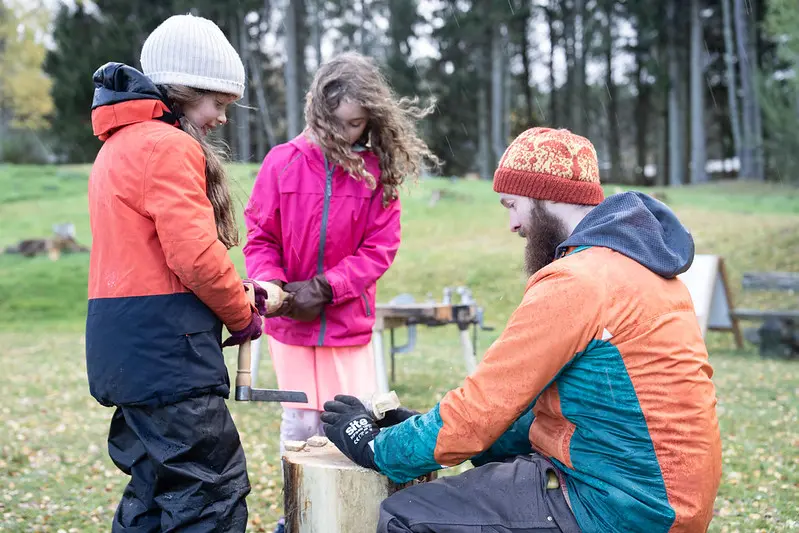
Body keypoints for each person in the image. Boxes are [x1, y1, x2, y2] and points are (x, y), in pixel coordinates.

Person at [321, 127, 723, 533]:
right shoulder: (640, 268)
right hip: (665, 498)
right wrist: (419, 427)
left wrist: (376, 447)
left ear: (545, 194)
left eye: (512, 204)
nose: (513, 224)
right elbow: (546, 407)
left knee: (407, 515)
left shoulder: (578, 281)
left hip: (621, 507)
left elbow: (480, 410)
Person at [85, 14, 277, 532]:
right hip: (170, 354)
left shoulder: (117, 147)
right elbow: (193, 257)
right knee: (208, 492)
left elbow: (151, 261)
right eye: (217, 102)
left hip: (124, 349)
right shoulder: (167, 146)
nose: (220, 118)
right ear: (186, 90)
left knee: (151, 493)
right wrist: (241, 315)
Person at [242, 51, 439, 532]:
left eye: (357, 124)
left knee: (352, 425)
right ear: (316, 111)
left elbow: (380, 248)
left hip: (348, 326)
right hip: (290, 327)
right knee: (301, 427)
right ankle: (300, 516)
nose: (346, 133)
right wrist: (276, 288)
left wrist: (327, 288)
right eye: (338, 122)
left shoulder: (376, 174)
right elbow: (259, 235)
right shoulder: (281, 163)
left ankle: (355, 521)